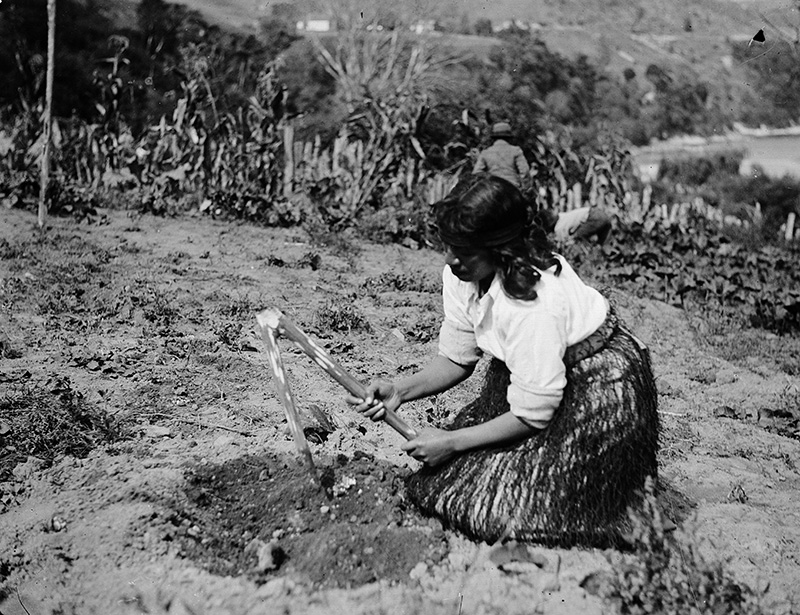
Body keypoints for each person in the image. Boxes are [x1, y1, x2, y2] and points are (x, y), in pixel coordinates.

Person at [347, 175, 658, 546]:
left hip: (597, 384)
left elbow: (533, 413)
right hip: (532, 374)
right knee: (449, 485)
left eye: (464, 250)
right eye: (449, 246)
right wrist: (399, 390)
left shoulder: (532, 303)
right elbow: (456, 360)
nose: (451, 259)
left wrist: (454, 440)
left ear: (501, 248)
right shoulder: (462, 273)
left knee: (499, 510)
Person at [472, 122, 530, 190]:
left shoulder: (485, 152)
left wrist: (491, 177)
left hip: (492, 187)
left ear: (494, 138)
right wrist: (523, 186)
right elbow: (525, 172)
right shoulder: (516, 150)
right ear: (509, 137)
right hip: (512, 186)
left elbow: (476, 172)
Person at [538, 205, 614, 245]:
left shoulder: (558, 228)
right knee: (604, 245)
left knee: (576, 239)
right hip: (599, 213)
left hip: (593, 217)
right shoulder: (562, 216)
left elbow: (563, 242)